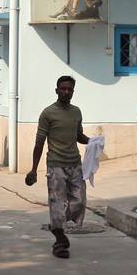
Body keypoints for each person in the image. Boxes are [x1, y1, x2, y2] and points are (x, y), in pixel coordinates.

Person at [25, 75, 91, 259]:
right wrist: (33, 169)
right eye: (63, 89)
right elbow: (39, 142)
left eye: (70, 89)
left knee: (80, 201)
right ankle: (60, 239)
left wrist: (93, 142)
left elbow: (79, 136)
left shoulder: (76, 112)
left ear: (73, 91)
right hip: (55, 166)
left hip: (75, 164)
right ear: (57, 90)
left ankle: (57, 224)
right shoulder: (47, 114)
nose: (66, 92)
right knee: (57, 202)